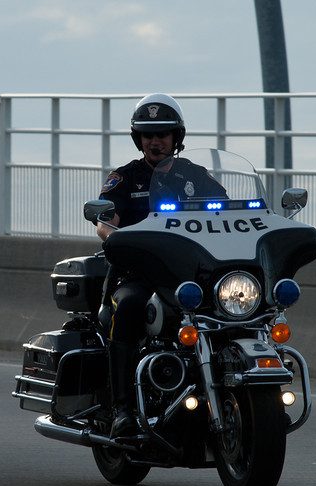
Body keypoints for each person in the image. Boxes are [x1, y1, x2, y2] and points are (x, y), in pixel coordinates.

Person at [95, 93, 225, 437]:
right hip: (138, 274)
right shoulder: (124, 178)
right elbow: (105, 221)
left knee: (234, 309)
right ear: (139, 139)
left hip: (192, 276)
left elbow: (229, 213)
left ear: (176, 138)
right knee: (131, 307)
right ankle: (122, 410)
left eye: (163, 134)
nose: (156, 141)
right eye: (148, 135)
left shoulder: (196, 176)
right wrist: (115, 236)